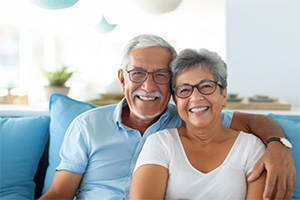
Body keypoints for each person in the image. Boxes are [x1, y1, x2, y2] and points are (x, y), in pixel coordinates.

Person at [40, 34, 296, 200]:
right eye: (137, 73)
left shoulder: (193, 117)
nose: (149, 86)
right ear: (122, 79)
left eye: (161, 75)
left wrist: (279, 146)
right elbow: (59, 193)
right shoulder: (87, 125)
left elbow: (255, 121)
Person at [130, 48, 267, 199]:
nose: (195, 97)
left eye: (206, 86)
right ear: (176, 101)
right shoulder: (161, 143)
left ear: (224, 95)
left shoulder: (251, 147)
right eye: (184, 90)